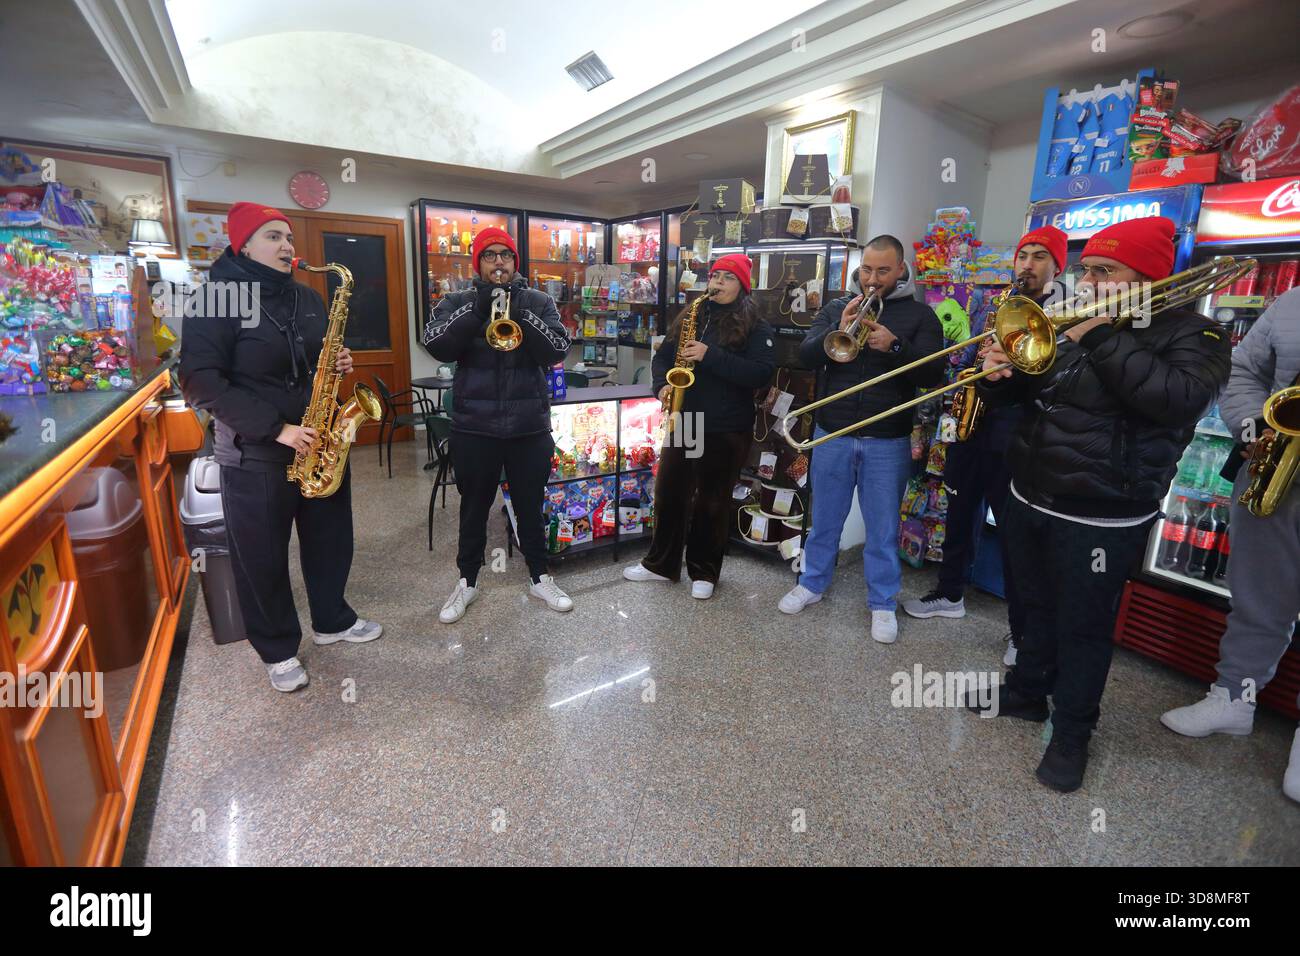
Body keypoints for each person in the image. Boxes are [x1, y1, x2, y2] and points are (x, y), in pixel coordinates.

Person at [967, 216, 1232, 793]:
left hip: (1102, 514)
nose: (1089, 281)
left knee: (1083, 628)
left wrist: (1099, 334)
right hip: (1030, 492)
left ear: (1149, 277)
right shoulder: (1075, 323)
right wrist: (996, 378)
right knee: (1031, 606)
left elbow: (1176, 400)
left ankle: (1072, 736)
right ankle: (1025, 695)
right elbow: (1036, 390)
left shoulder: (1196, 334)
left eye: (1106, 272)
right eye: (1087, 270)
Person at [179, 202, 382, 693]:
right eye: (272, 236)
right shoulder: (216, 299)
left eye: (288, 237)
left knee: (332, 540)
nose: (287, 246)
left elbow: (314, 359)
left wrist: (336, 365)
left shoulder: (308, 298)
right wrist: (278, 429)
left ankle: (331, 620)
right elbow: (200, 382)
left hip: (320, 440)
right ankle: (277, 648)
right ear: (243, 244)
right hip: (256, 452)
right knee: (262, 556)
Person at [1160, 285, 1300, 804]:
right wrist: (1256, 426)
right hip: (1277, 471)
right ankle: (1235, 700)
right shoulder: (1292, 303)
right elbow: (1243, 371)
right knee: (1259, 597)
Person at [903, 225, 1067, 666]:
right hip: (973, 425)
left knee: (1016, 537)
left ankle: (1021, 630)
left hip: (1017, 436)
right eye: (1023, 256)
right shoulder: (996, 305)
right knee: (958, 511)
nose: (1027, 265)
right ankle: (950, 593)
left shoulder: (1064, 312)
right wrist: (967, 373)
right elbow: (969, 356)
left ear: (1057, 266)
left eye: (1038, 257)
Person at [778, 235, 945, 643]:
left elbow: (932, 376)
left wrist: (895, 345)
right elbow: (804, 356)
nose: (872, 279)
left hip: (887, 440)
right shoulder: (837, 307)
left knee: (884, 528)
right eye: (867, 269)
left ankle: (883, 603)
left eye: (883, 271)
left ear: (901, 269)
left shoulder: (922, 316)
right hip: (832, 432)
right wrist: (837, 329)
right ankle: (813, 583)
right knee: (824, 521)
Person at [422, 225, 574, 623]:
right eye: (489, 255)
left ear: (514, 262)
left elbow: (557, 349)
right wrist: (475, 313)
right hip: (475, 428)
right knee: (473, 508)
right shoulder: (457, 300)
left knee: (530, 505)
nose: (499, 262)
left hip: (529, 428)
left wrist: (520, 313)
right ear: (479, 263)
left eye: (504, 255)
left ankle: (540, 576)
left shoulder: (539, 301)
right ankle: (467, 581)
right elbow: (436, 343)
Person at [623, 254, 775, 598]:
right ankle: (661, 566)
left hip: (725, 427)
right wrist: (661, 384)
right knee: (671, 494)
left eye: (727, 278)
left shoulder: (757, 326)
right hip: (688, 419)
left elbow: (760, 373)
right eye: (715, 276)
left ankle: (704, 572)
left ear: (742, 286)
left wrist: (710, 355)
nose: (717, 283)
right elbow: (664, 356)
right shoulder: (694, 315)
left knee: (712, 500)